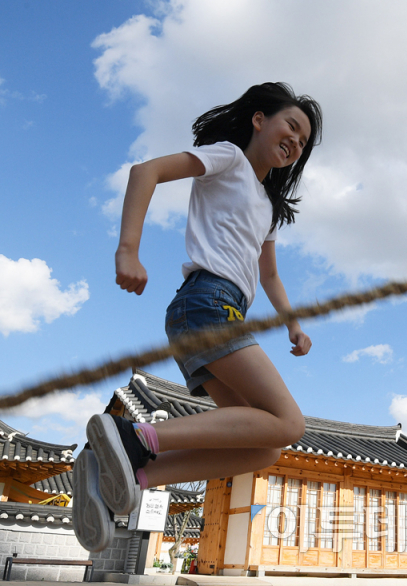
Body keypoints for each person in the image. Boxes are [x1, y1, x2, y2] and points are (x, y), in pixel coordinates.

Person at [73, 83, 321, 551]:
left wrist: (293, 323)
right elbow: (146, 171)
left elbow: (269, 274)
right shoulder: (229, 157)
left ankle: (127, 478)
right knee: (289, 423)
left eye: (303, 141)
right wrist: (128, 250)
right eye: (291, 126)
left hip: (221, 311)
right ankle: (133, 437)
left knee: (264, 446)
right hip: (207, 302)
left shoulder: (268, 208)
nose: (295, 141)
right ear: (259, 120)